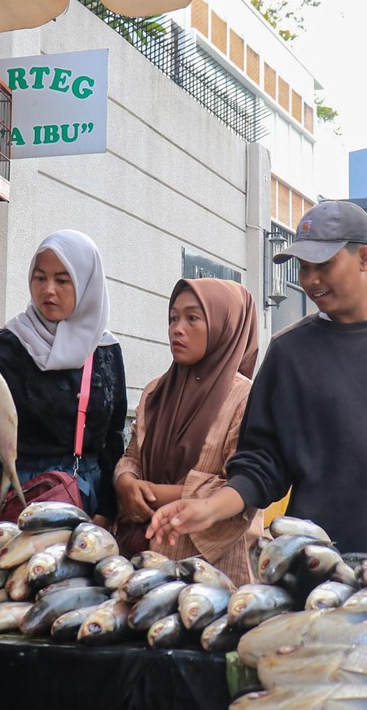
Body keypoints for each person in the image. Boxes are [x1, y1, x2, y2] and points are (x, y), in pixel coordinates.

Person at [147, 199, 367, 556]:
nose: (311, 280)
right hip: (315, 568)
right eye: (304, 266)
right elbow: (263, 462)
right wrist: (209, 507)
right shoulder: (289, 352)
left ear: (364, 258)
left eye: (323, 265)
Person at [0, 229, 127, 527]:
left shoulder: (104, 351)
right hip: (14, 499)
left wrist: (108, 509)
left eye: (62, 280)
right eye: (40, 277)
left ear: (87, 283)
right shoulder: (5, 346)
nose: (48, 290)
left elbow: (112, 437)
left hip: (84, 501)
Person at [114, 278, 262, 585]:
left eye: (192, 318)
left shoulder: (245, 397)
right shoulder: (157, 390)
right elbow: (134, 455)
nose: (176, 329)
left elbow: (243, 485)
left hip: (214, 571)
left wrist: (152, 495)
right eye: (173, 318)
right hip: (147, 558)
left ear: (225, 325)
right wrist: (126, 482)